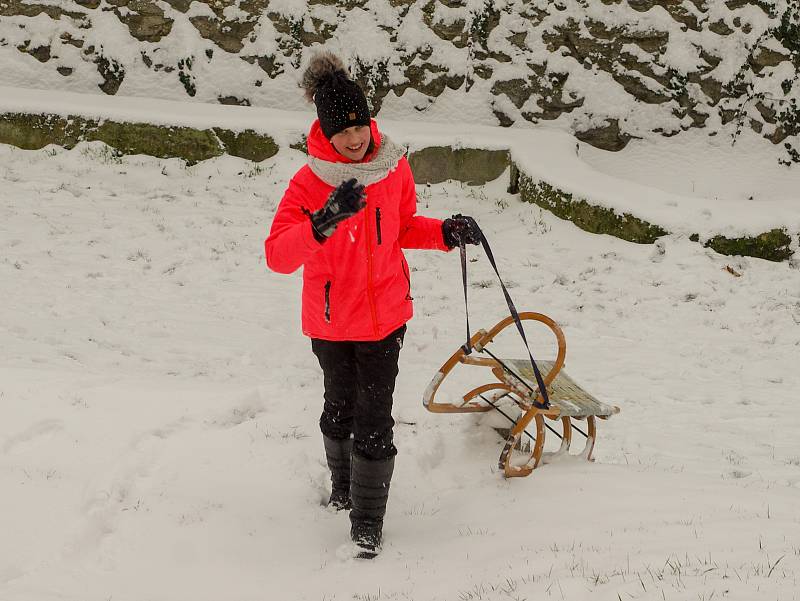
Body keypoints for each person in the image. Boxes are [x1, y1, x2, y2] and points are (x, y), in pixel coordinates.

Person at [264, 51, 481, 559]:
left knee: (375, 417)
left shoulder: (394, 167)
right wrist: (323, 220)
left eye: (360, 125)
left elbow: (404, 226)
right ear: (325, 132)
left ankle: (367, 522)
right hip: (332, 321)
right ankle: (342, 486)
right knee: (339, 409)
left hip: (385, 317)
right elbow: (277, 255)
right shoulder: (308, 182)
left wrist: (446, 232)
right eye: (344, 132)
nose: (356, 138)